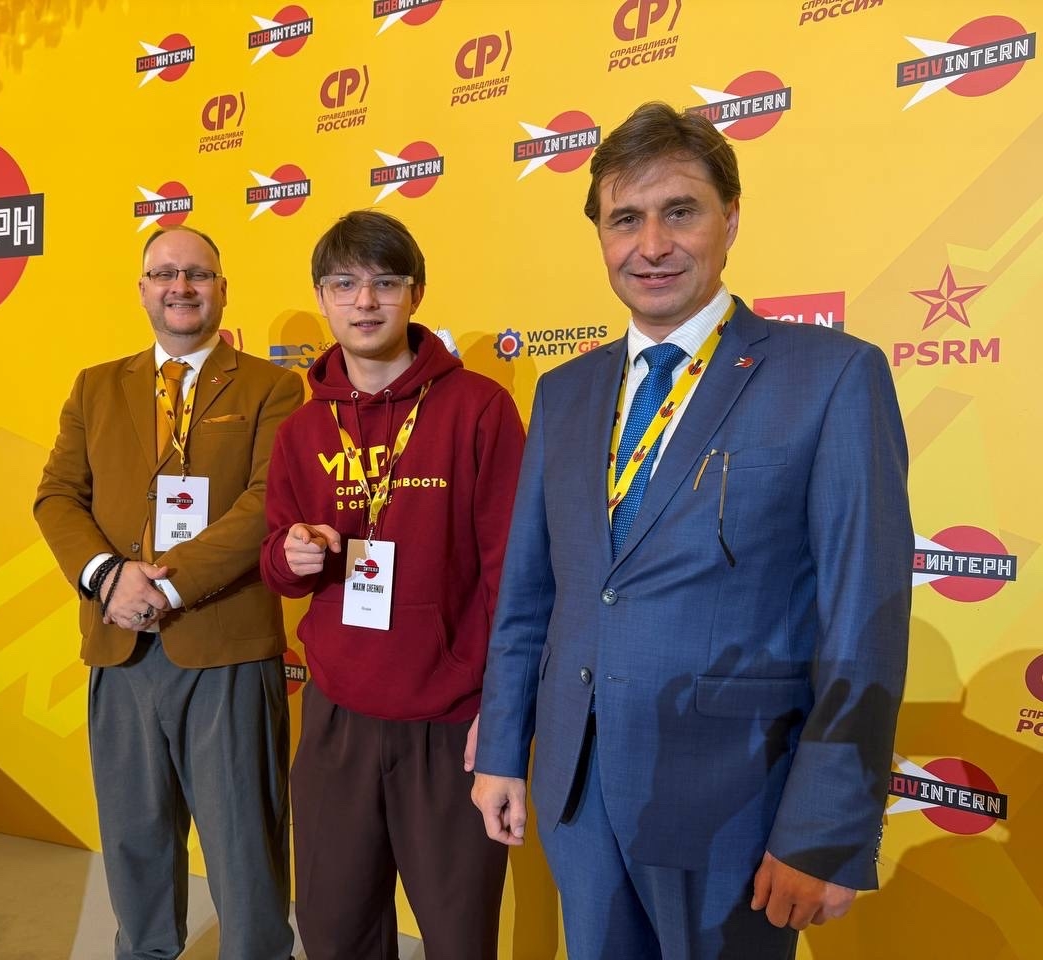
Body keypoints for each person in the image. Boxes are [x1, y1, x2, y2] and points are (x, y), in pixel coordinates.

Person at [471, 102, 912, 960]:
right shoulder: (564, 392)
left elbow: (864, 622)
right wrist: (501, 747)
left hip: (737, 809)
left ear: (731, 219)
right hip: (578, 797)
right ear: (600, 236)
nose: (652, 245)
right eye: (624, 220)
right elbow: (531, 595)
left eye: (680, 212)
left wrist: (824, 830)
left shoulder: (831, 376)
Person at [259, 210, 525, 960]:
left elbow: (515, 574)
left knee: (458, 939)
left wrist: (502, 711)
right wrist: (292, 554)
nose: (365, 301)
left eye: (385, 282)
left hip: (452, 723)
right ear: (322, 297)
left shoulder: (478, 408)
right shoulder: (301, 430)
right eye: (344, 284)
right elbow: (274, 560)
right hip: (337, 720)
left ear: (416, 293)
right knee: (334, 934)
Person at [34, 225, 302, 960]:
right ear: (143, 289)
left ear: (222, 289)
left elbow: (268, 503)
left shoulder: (273, 386)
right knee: (133, 843)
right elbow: (58, 497)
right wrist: (107, 578)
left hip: (225, 649)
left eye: (197, 274)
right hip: (119, 646)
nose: (180, 287)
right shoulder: (95, 386)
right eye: (164, 274)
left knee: (245, 849)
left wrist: (169, 587)